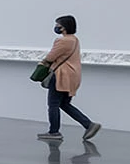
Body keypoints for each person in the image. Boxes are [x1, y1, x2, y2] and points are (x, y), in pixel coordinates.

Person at [37, 14, 100, 143]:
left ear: (64, 27)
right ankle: (89, 125)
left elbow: (51, 57)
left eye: (58, 25)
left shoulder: (63, 41)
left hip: (61, 75)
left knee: (53, 104)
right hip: (73, 76)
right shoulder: (75, 40)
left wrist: (42, 63)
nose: (56, 27)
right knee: (64, 104)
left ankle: (54, 132)